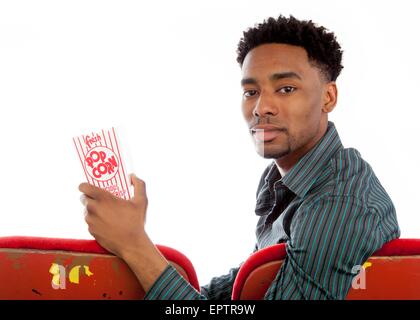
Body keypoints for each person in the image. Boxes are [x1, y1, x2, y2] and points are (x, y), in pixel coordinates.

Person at [79, 15, 400, 300]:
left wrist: (134, 245)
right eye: (251, 92)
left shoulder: (339, 203)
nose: (262, 108)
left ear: (328, 97)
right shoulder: (287, 182)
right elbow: (237, 293)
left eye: (286, 89)